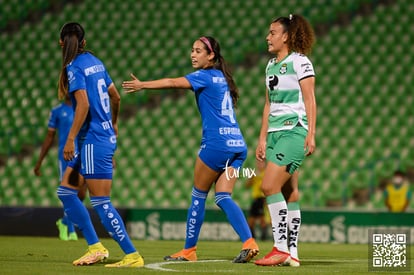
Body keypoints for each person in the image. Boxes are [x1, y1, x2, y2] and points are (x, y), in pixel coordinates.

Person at [122, 36, 259, 263]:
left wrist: (143, 84)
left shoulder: (204, 76)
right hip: (237, 145)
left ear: (211, 55)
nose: (193, 55)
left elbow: (173, 83)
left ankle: (189, 250)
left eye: (198, 51)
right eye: (192, 50)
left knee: (198, 195)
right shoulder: (222, 77)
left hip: (216, 146)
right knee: (223, 196)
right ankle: (249, 242)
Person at [55, 22, 144, 268]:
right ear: (83, 43)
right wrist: (113, 123)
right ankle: (96, 248)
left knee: (101, 201)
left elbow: (82, 105)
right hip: (97, 139)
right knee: (66, 192)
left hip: (91, 141)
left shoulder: (73, 68)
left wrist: (70, 137)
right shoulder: (96, 63)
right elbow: (115, 96)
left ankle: (132, 255)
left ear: (61, 43)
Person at [254, 14, 316, 267]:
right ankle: (292, 252)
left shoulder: (300, 62)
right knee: (290, 191)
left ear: (286, 36)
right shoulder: (270, 66)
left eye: (272, 33)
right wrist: (261, 139)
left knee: (269, 186)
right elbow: (268, 104)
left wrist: (311, 133)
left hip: (294, 131)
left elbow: (310, 99)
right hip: (275, 134)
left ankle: (279, 248)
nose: (268, 37)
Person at [34, 95, 86, 241]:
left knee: (82, 193)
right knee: (70, 191)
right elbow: (49, 136)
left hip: (82, 153)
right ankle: (70, 230)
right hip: (66, 156)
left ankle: (64, 222)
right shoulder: (57, 111)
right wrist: (39, 161)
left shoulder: (83, 108)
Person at [245, 159, 268, 241]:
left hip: (262, 198)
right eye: (258, 162)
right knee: (251, 221)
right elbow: (247, 186)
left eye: (261, 162)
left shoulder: (266, 173)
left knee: (262, 219)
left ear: (265, 164)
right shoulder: (254, 173)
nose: (259, 164)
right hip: (255, 199)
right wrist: (251, 178)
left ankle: (263, 238)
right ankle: (253, 239)